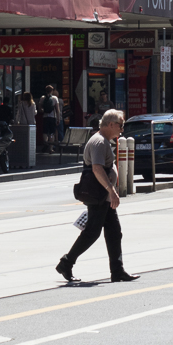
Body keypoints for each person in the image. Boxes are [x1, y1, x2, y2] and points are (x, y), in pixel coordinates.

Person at [56, 110, 138, 284]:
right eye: (120, 125)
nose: (122, 129)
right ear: (111, 124)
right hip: (99, 195)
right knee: (92, 233)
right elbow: (97, 168)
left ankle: (117, 271)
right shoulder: (99, 142)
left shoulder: (104, 141)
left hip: (103, 196)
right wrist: (111, 190)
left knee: (114, 233)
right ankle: (66, 263)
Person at [40, 86, 61, 152]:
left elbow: (40, 109)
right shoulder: (55, 98)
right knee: (52, 133)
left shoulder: (42, 98)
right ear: (52, 91)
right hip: (52, 117)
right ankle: (51, 148)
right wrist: (58, 119)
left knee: (45, 132)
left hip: (45, 117)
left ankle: (46, 143)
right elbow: (57, 110)